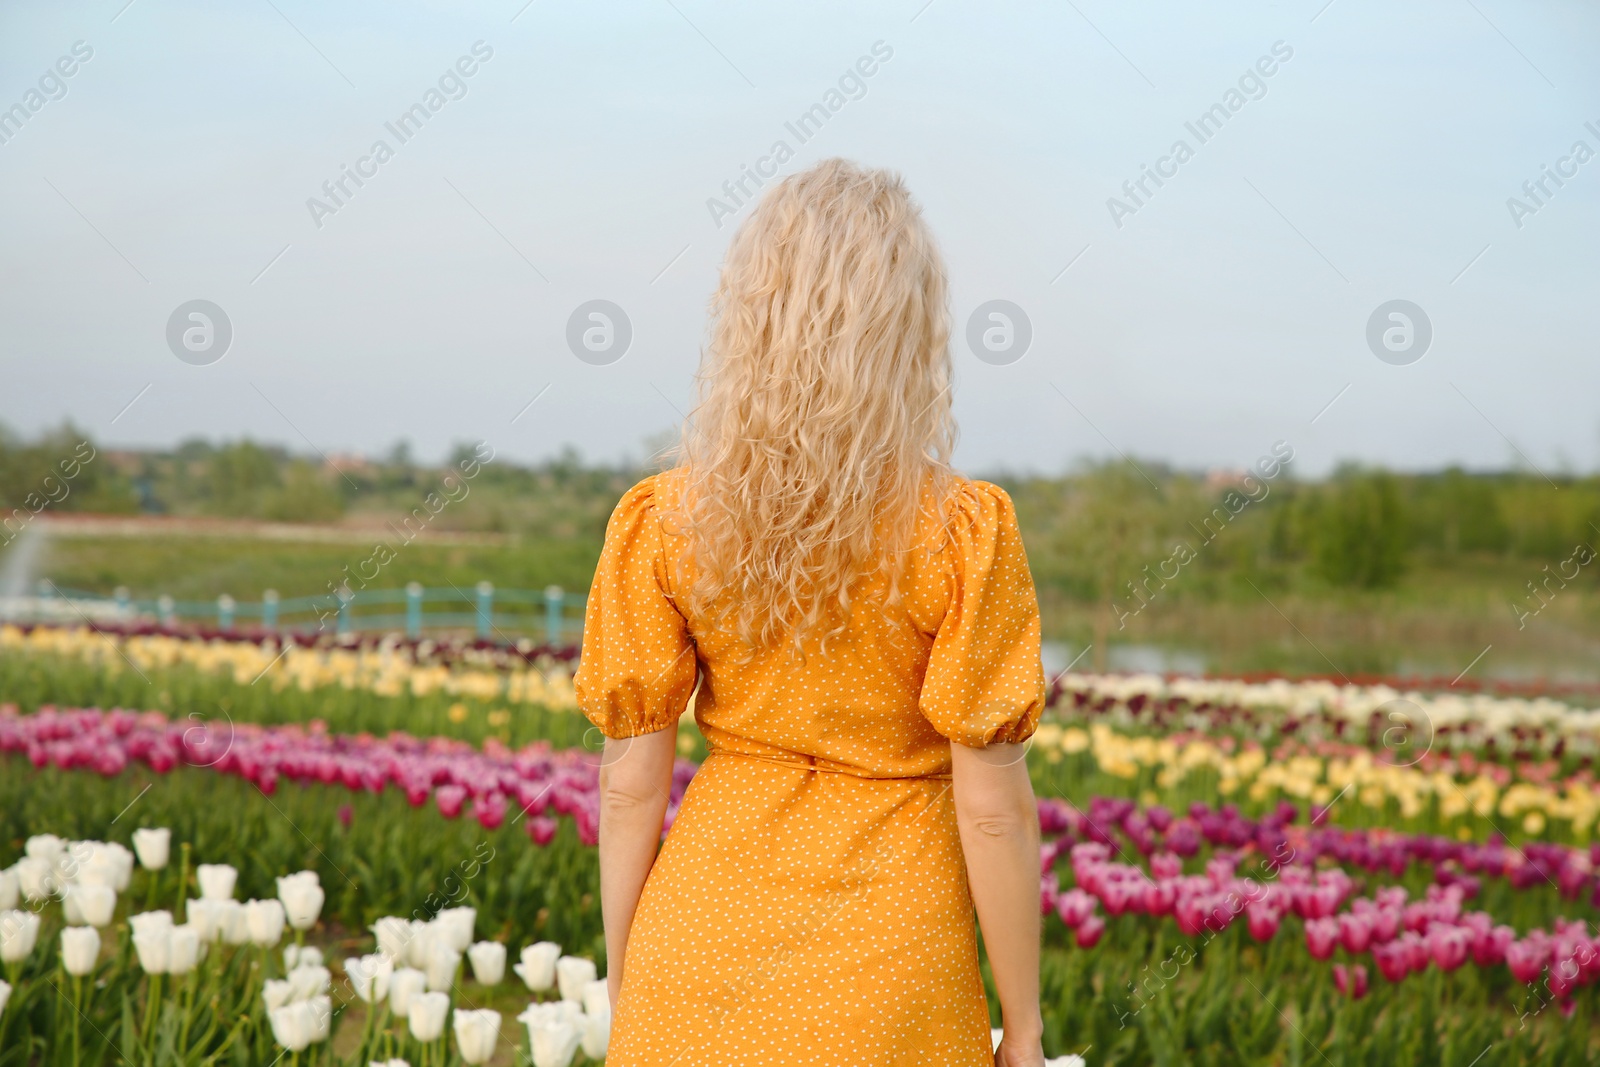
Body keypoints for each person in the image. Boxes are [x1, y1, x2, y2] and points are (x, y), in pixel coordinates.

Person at [575, 158, 1048, 1067]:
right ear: (910, 330)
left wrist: (629, 978)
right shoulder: (958, 532)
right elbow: (994, 812)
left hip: (697, 947)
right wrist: (1021, 1030)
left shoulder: (669, 521)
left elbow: (628, 782)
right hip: (888, 971)